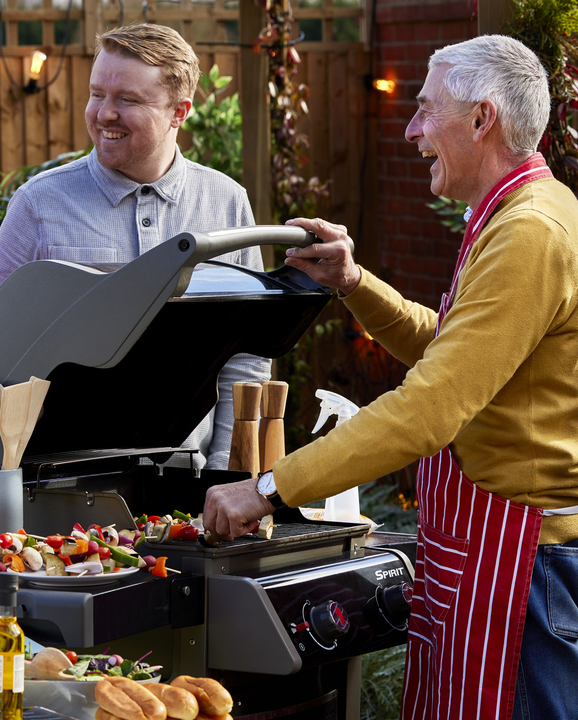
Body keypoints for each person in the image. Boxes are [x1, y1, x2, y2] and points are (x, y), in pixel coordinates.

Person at [203, 35, 578, 720]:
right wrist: (352, 282)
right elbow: (454, 352)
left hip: (526, 571)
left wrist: (267, 488)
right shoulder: (517, 215)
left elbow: (432, 406)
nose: (411, 130)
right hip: (496, 558)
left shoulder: (530, 233)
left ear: (481, 118)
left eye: (426, 110)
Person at [0, 23, 270, 470]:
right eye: (97, 94)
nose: (104, 113)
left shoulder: (225, 202)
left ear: (179, 112)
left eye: (127, 100)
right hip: (59, 482)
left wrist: (225, 471)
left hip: (187, 478)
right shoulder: (39, 206)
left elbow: (246, 358)